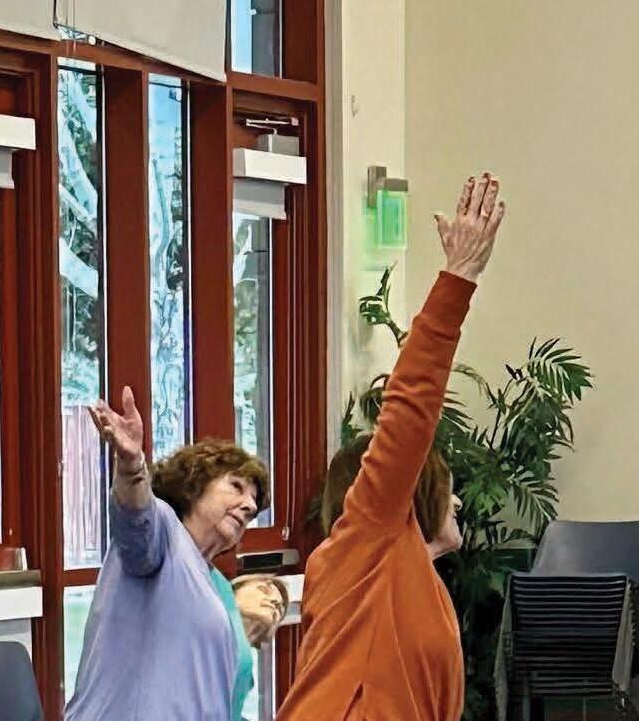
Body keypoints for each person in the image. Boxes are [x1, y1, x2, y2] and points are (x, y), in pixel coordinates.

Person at [275, 173, 505, 721]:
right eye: (446, 487)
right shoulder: (369, 539)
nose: (456, 501)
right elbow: (407, 415)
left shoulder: (418, 580)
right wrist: (458, 279)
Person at [63, 386, 270, 721]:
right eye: (236, 486)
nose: (249, 505)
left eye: (254, 503)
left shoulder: (210, 579)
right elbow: (135, 516)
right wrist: (132, 465)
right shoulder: (164, 532)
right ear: (195, 483)